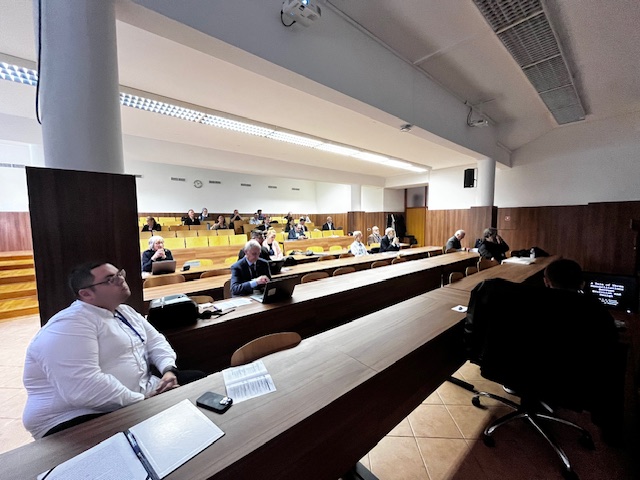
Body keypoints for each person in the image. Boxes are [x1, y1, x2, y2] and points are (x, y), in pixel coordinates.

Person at [22, 262, 205, 439]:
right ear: (86, 294)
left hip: (137, 394)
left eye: (119, 274)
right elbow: (85, 387)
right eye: (110, 279)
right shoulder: (70, 325)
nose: (121, 280)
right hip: (76, 415)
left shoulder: (125, 311)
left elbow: (156, 343)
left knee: (198, 382)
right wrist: (143, 400)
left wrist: (168, 370)